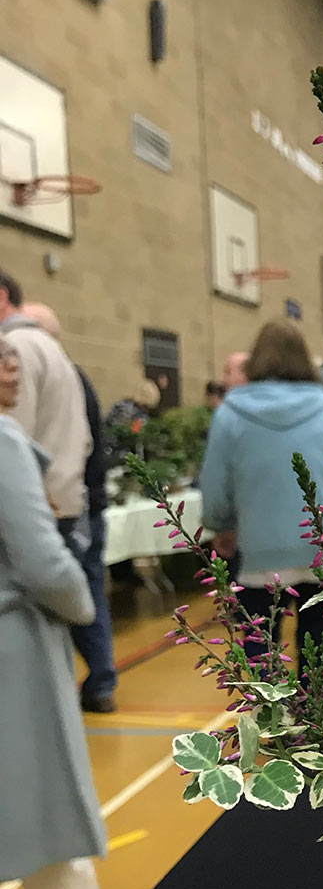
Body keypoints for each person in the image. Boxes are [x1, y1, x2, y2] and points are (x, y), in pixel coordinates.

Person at [0, 332, 107, 889]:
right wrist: (83, 603)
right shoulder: (2, 440)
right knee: (53, 837)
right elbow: (43, 561)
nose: (13, 366)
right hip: (12, 659)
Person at [198, 320, 323, 669]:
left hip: (256, 555)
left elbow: (215, 484)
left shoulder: (229, 413)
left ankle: (268, 705)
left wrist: (221, 526)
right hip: (322, 550)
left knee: (261, 658)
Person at [22, 303, 117, 714]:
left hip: (71, 507)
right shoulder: (75, 378)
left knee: (71, 592)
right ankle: (100, 681)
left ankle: (92, 682)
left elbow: (86, 447)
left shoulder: (62, 379)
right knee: (86, 589)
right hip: (80, 503)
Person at [0, 268, 90, 542]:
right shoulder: (52, 347)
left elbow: (12, 439)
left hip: (33, 511)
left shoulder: (12, 346)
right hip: (63, 500)